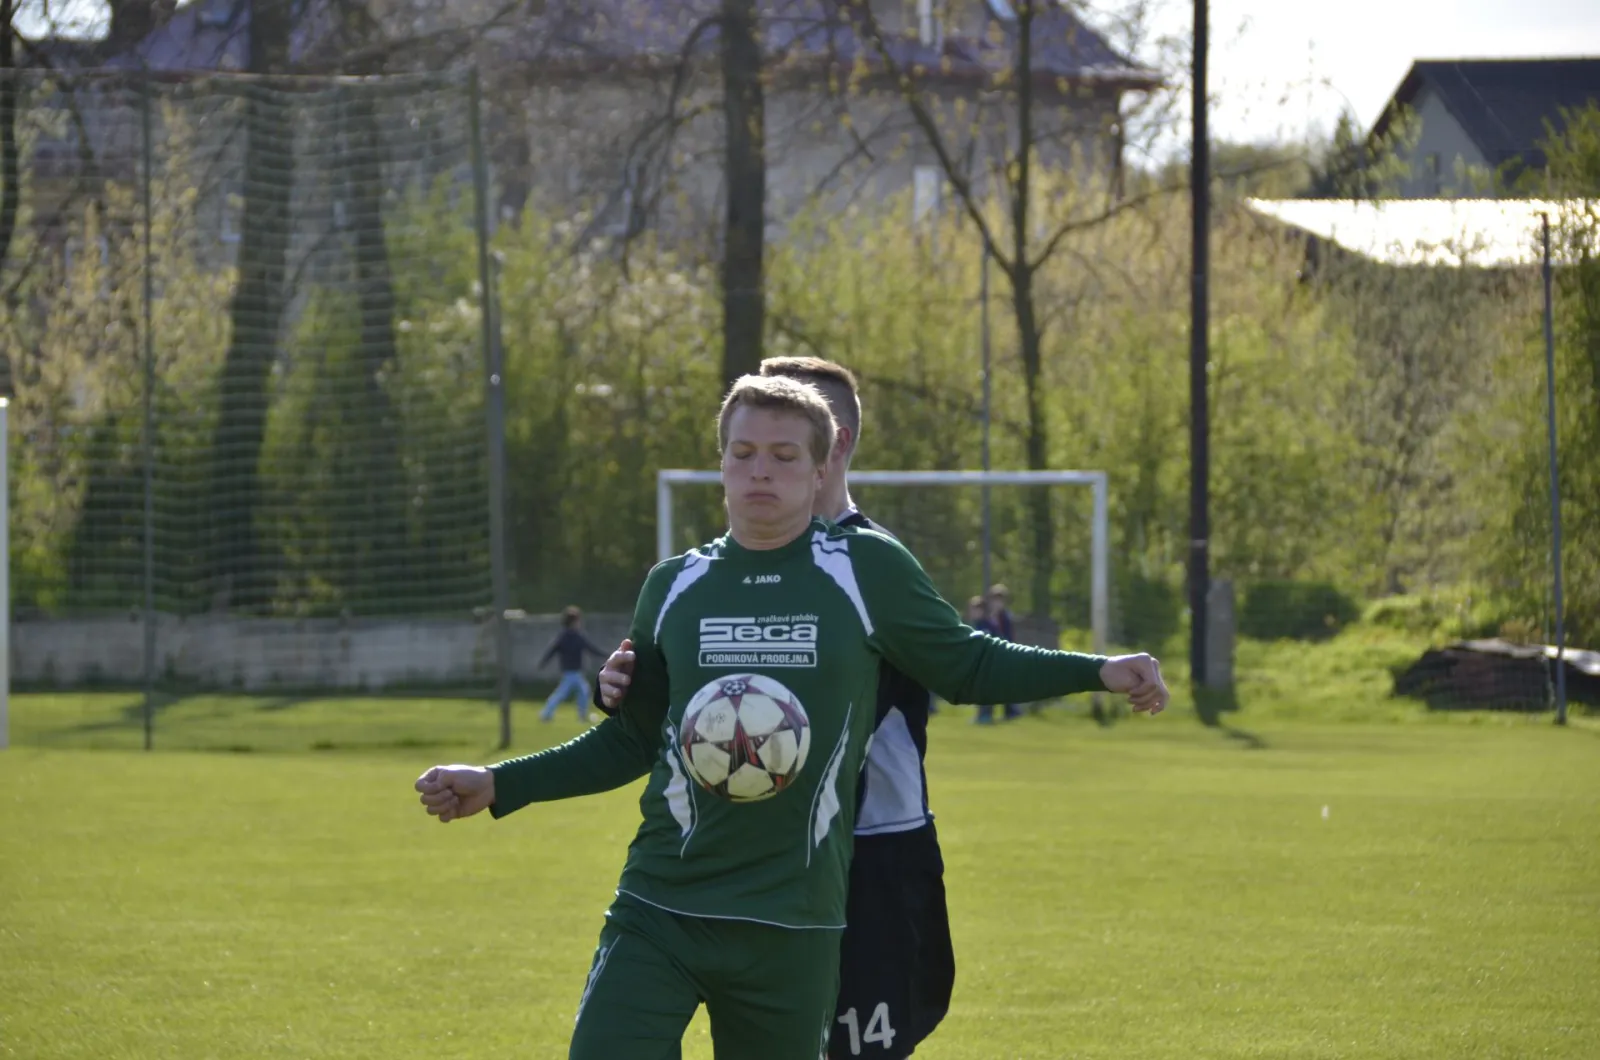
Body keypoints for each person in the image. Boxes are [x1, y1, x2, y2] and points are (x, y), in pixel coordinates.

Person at [415, 375, 1169, 1060]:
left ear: (820, 469)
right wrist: (499, 782)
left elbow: (967, 664)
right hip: (661, 903)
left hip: (794, 921)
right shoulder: (672, 586)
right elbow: (631, 740)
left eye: (783, 456)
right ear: (721, 466)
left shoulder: (865, 569)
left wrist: (1097, 670)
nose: (760, 472)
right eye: (742, 454)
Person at [538, 606, 606, 723]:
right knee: (566, 694)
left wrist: (543, 663)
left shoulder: (565, 636)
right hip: (571, 673)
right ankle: (546, 714)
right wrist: (605, 655)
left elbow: (551, 651)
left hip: (573, 672)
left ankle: (580, 716)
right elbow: (591, 649)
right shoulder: (575, 637)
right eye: (578, 621)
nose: (580, 623)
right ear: (573, 622)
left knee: (581, 693)